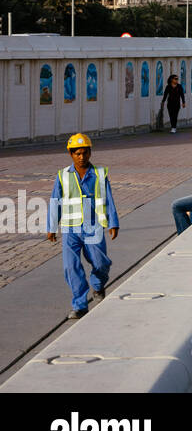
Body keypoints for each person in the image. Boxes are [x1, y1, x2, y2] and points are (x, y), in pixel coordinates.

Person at [46, 134, 119, 320]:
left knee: (101, 263)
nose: (81, 157)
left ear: (90, 152)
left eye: (85, 152)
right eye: (77, 153)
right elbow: (55, 201)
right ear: (70, 154)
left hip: (93, 227)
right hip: (70, 229)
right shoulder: (62, 175)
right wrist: (52, 225)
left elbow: (108, 199)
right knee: (71, 267)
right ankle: (79, 304)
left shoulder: (100, 174)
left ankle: (98, 284)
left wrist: (113, 222)